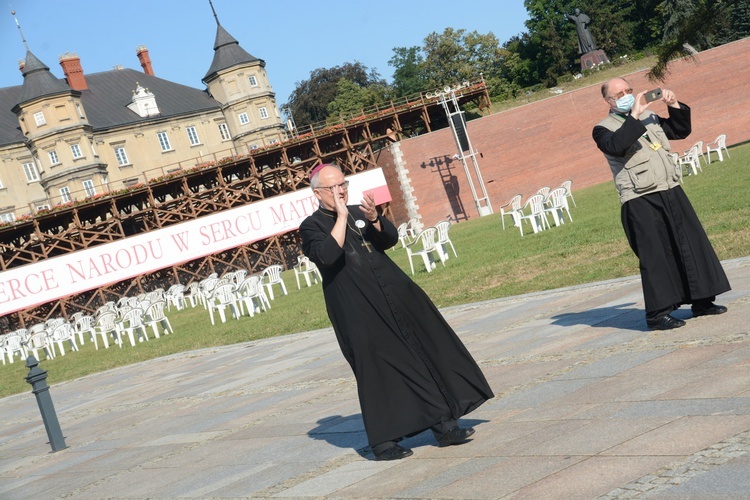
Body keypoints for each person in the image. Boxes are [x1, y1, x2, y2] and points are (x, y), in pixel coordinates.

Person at [299, 164, 493, 461]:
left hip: (395, 295)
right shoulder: (311, 225)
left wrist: (376, 219)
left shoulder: (358, 210)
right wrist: (340, 216)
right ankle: (383, 441)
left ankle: (443, 425)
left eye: (343, 184)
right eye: (333, 187)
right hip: (356, 307)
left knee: (421, 352)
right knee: (377, 370)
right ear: (317, 194)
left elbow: (389, 241)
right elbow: (327, 255)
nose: (341, 190)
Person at [592, 78, 730, 330]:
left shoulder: (650, 116)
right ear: (607, 102)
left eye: (628, 91)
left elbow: (679, 131)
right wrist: (634, 116)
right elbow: (617, 146)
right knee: (656, 256)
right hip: (639, 199)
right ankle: (657, 315)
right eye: (618, 94)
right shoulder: (602, 129)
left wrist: (674, 104)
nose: (625, 96)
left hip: (670, 188)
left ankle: (702, 301)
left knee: (690, 244)